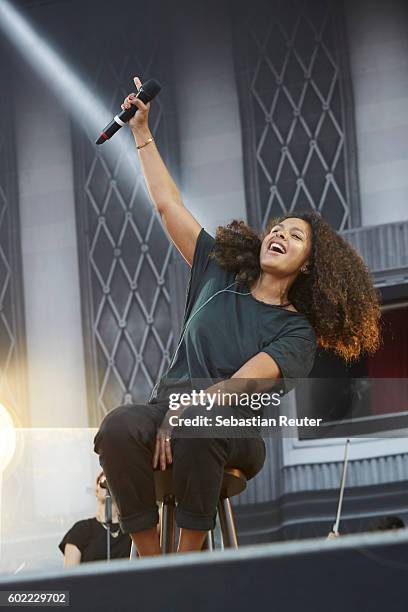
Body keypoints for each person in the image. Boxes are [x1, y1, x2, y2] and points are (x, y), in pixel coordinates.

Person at [93, 75, 381, 557]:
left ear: (308, 264)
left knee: (197, 427)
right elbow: (168, 206)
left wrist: (189, 411)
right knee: (118, 426)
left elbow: (243, 385)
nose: (281, 235)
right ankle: (150, 562)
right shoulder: (218, 269)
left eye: (296, 237)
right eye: (279, 228)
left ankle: (188, 564)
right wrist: (142, 131)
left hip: (230, 426)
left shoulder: (295, 330)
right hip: (171, 408)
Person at [58, 471, 131, 566]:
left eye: (113, 482)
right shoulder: (81, 530)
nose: (108, 487)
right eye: (104, 483)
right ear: (96, 491)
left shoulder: (132, 528)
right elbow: (70, 576)